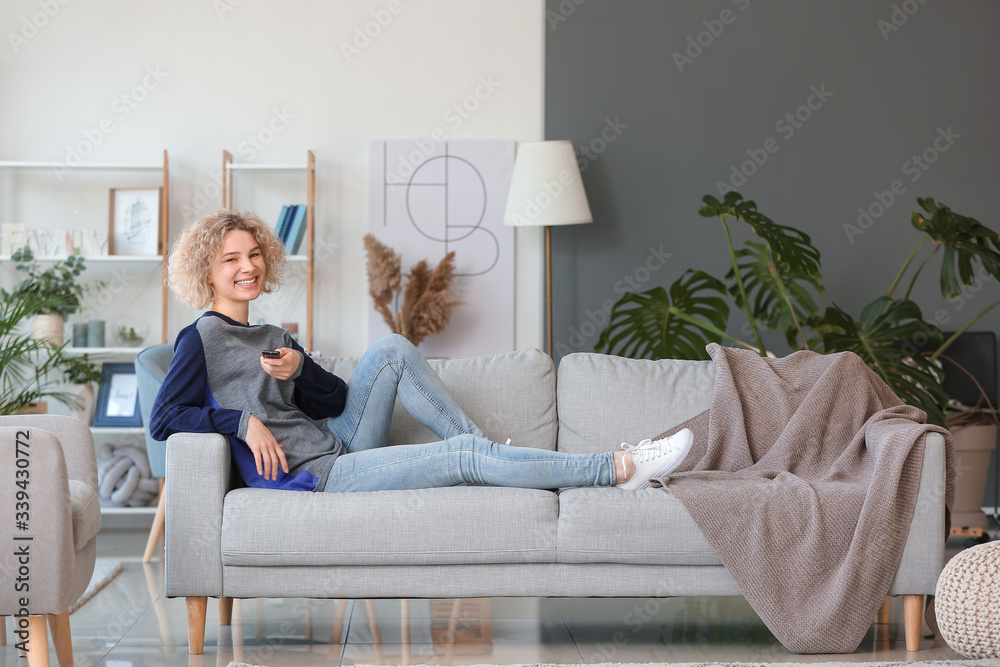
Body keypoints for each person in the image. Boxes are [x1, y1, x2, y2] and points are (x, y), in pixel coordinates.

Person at [150, 209, 692, 493]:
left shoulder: (270, 334)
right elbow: (165, 417)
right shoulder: (202, 338)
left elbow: (336, 399)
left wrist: (299, 367)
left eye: (254, 255)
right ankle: (618, 467)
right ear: (207, 274)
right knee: (463, 457)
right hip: (321, 475)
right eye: (231, 260)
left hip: (339, 441)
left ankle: (487, 452)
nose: (248, 267)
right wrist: (241, 423)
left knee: (389, 347)